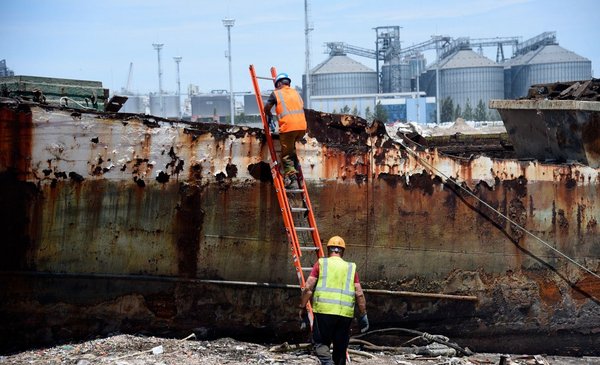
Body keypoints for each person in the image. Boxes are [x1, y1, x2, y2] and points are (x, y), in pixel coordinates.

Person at [298, 236, 369, 365]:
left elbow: (308, 288)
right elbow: (359, 293)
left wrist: (302, 307)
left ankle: (328, 363)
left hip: (323, 312)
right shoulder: (351, 267)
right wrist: (363, 315)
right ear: (343, 251)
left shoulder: (321, 263)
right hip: (345, 315)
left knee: (320, 344)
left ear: (328, 249)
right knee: (340, 348)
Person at [263, 73, 307, 188]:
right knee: (291, 150)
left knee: (286, 156)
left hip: (288, 128)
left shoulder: (276, 94)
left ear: (279, 83)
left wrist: (269, 115)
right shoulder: (296, 93)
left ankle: (292, 180)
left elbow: (266, 108)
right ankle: (297, 172)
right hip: (302, 128)